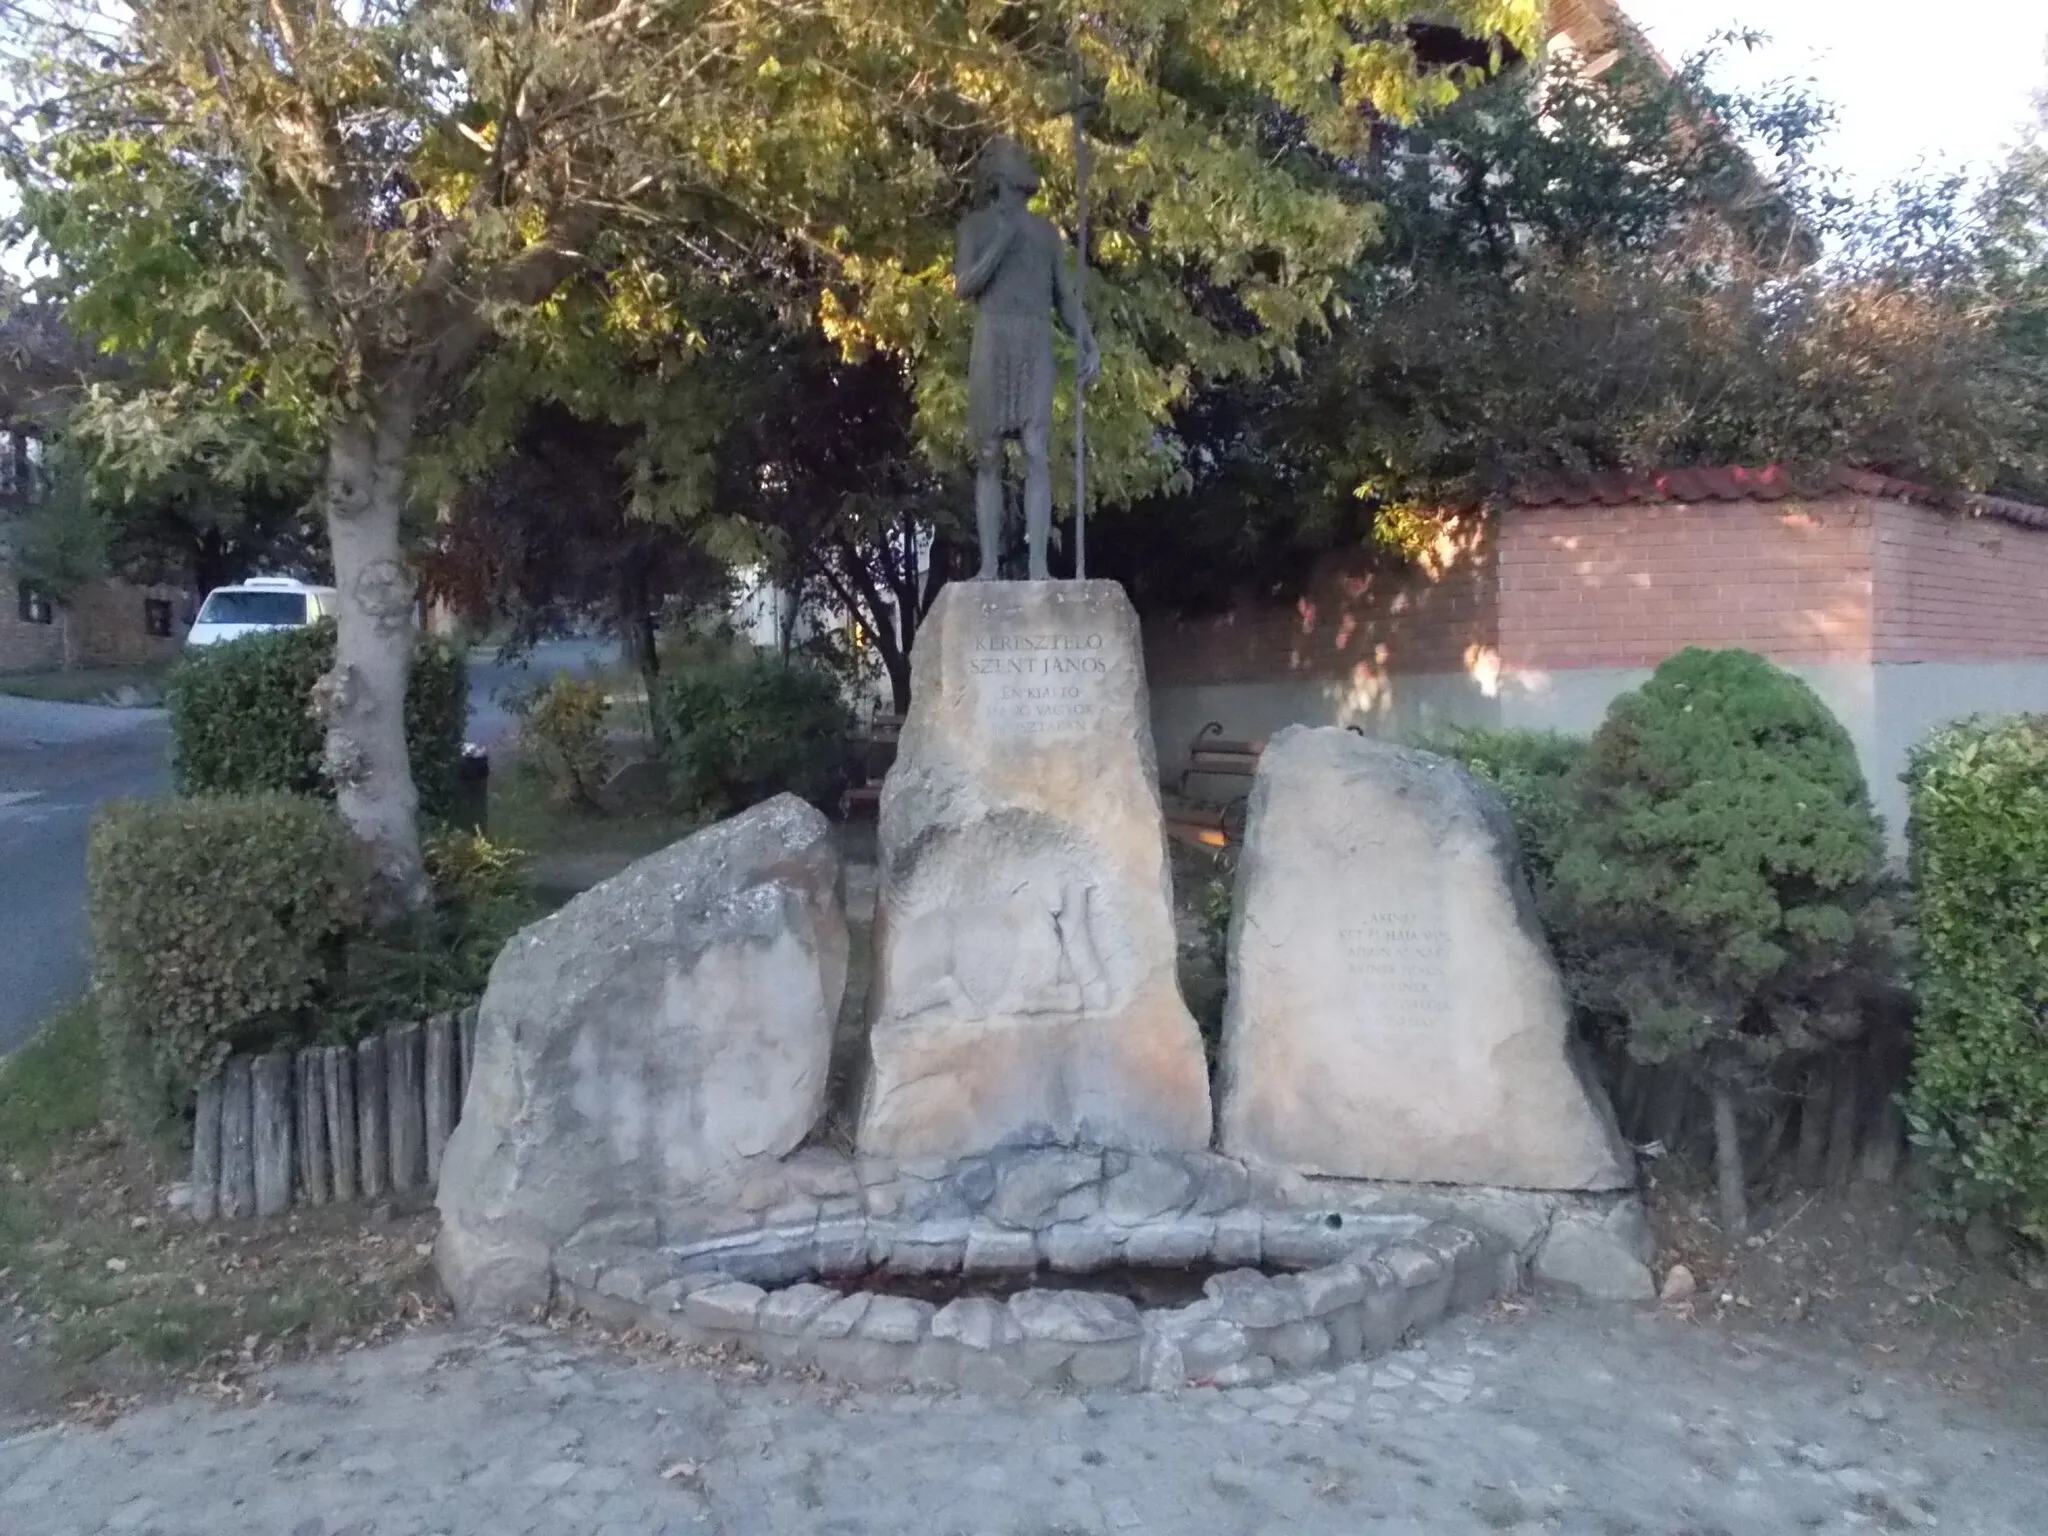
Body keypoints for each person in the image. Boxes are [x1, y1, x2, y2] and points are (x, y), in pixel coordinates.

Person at [954, 136, 1099, 581]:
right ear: (999, 175)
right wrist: (1000, 244)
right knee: (989, 452)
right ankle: (988, 567)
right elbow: (964, 286)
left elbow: (1064, 295)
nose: (1025, 169)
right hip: (994, 336)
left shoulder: (1046, 233)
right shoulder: (976, 228)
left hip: (1033, 336)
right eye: (1016, 161)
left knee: (1036, 449)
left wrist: (1087, 339)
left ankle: (1038, 568)